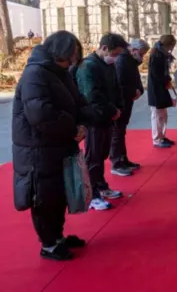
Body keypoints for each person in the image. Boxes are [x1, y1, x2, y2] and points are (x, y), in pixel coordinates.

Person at [12, 31, 96, 260]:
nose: (73, 60)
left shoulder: (60, 73)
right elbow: (41, 115)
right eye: (72, 55)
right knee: (44, 197)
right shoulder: (35, 74)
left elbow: (78, 102)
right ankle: (48, 244)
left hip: (57, 145)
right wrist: (73, 129)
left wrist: (84, 122)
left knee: (58, 195)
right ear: (60, 51)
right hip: (37, 150)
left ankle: (57, 237)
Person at [75, 33, 129, 211]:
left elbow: (116, 86)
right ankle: (92, 194)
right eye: (114, 53)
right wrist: (111, 110)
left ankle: (101, 185)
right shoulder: (88, 66)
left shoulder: (107, 65)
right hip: (94, 118)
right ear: (104, 48)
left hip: (107, 116)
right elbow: (91, 95)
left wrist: (118, 108)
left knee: (102, 153)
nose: (115, 58)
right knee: (94, 156)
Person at [109, 38, 148, 172]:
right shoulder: (122, 60)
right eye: (141, 53)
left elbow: (135, 78)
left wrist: (140, 90)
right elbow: (120, 83)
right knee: (117, 132)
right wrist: (133, 91)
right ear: (134, 49)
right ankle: (116, 162)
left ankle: (123, 159)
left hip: (127, 100)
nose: (142, 57)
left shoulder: (130, 60)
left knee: (121, 131)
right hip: (121, 101)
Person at [147, 35, 177, 148]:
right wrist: (167, 80)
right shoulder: (156, 54)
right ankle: (157, 139)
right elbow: (156, 73)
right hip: (156, 88)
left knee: (163, 114)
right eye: (171, 46)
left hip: (161, 86)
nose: (171, 49)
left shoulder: (161, 54)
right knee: (157, 114)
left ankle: (162, 136)